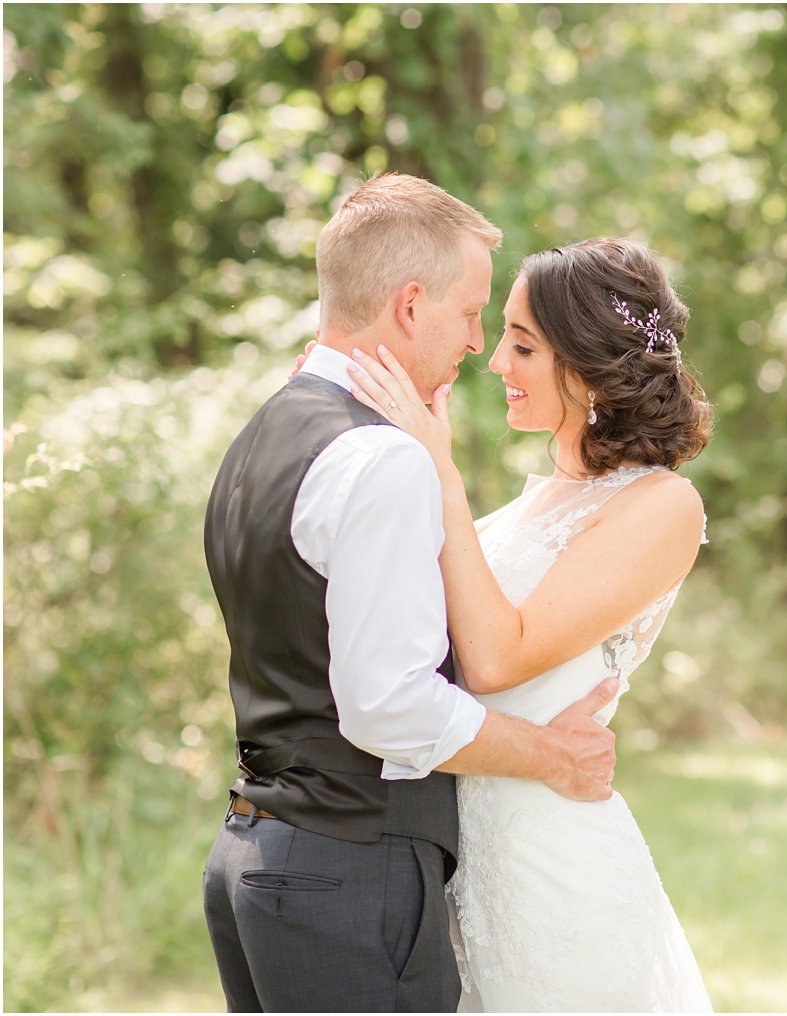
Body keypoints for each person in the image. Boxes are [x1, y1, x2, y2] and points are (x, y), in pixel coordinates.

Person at [201, 173, 620, 1013]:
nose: (476, 342)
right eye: (470, 313)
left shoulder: (266, 431)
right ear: (408, 305)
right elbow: (387, 705)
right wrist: (551, 755)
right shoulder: (382, 460)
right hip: (347, 875)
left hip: (253, 861)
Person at [343, 236, 715, 1011]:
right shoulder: (526, 506)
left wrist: (439, 473)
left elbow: (495, 659)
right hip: (458, 857)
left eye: (522, 345)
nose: (495, 364)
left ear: (589, 365)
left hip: (552, 866)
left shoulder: (661, 506)